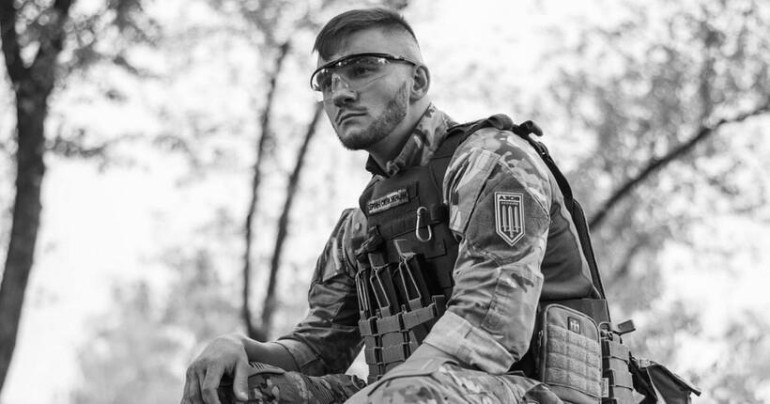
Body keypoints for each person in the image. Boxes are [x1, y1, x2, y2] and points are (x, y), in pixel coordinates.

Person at [181, 7, 602, 404]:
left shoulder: (491, 162)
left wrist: (381, 395)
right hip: (407, 392)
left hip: (533, 391)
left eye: (362, 69)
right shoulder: (363, 223)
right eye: (326, 80)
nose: (340, 93)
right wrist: (242, 347)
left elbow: (489, 328)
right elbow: (319, 348)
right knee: (236, 390)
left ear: (417, 81)